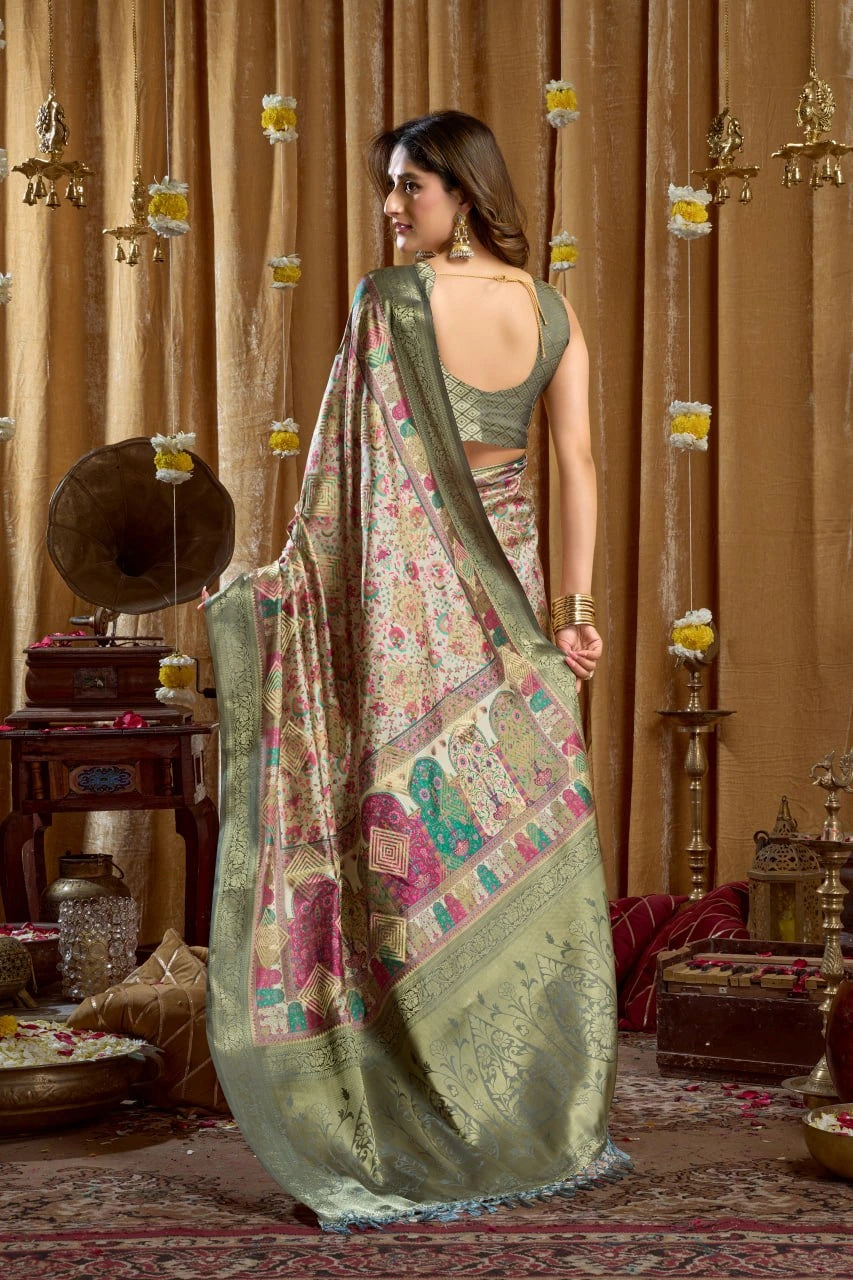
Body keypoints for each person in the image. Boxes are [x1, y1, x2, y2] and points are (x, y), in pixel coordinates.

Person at [204, 110, 629, 1232]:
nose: (392, 208)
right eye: (390, 187)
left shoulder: (388, 305)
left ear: (462, 189)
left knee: (409, 847)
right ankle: (532, 1110)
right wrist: (572, 616)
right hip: (512, 610)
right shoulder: (547, 309)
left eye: (410, 186)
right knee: (514, 835)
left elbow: (336, 497)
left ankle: (432, 1104)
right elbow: (575, 465)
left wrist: (279, 589)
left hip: (413, 617)